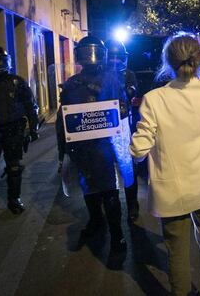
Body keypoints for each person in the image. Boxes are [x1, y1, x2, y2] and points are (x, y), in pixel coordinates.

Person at [130, 9, 200, 296]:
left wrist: (131, 154)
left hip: (172, 190)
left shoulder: (153, 100)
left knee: (176, 250)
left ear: (168, 62)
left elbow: (140, 148)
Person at [56, 36, 127, 253]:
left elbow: (122, 108)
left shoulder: (111, 80)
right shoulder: (71, 84)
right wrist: (63, 149)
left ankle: (117, 235)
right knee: (89, 189)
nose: (90, 57)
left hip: (105, 145)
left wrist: (114, 113)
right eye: (86, 52)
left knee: (110, 191)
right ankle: (96, 222)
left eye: (93, 51)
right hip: (82, 146)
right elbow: (63, 118)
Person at [0, 46, 39, 214]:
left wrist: (33, 128)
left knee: (14, 166)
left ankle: (14, 198)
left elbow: (30, 106)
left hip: (13, 129)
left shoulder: (17, 82)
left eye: (0, 60)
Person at [104, 39, 140, 222]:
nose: (116, 60)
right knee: (106, 168)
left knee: (128, 168)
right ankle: (111, 207)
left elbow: (132, 92)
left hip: (124, 125)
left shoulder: (128, 74)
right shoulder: (100, 74)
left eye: (119, 57)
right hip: (104, 125)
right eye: (113, 56)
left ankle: (133, 205)